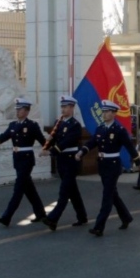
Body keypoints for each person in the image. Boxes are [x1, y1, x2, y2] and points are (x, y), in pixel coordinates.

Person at [78, 100, 138, 236]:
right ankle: (126, 217)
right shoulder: (101, 128)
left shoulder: (119, 130)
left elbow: (129, 146)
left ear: (114, 113)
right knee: (112, 194)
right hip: (103, 165)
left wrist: (138, 162)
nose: (104, 114)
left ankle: (99, 227)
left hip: (113, 165)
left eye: (107, 111)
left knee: (107, 197)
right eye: (104, 111)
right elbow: (92, 142)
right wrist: (82, 151)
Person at [0, 98, 47, 227]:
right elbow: (4, 136)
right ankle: (41, 214)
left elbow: (43, 141)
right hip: (17, 159)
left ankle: (7, 217)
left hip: (27, 159)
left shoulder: (32, 125)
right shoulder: (13, 125)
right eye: (17, 109)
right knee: (29, 189)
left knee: (18, 189)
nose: (17, 112)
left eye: (20, 110)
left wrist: (50, 150)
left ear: (26, 111)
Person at [41, 94, 88, 230]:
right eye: (62, 107)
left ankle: (53, 218)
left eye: (66, 107)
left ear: (72, 108)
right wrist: (48, 143)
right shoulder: (59, 123)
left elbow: (67, 142)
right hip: (61, 161)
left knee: (64, 192)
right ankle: (82, 216)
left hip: (71, 161)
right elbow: (55, 139)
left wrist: (52, 151)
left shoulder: (75, 125)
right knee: (72, 191)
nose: (63, 109)